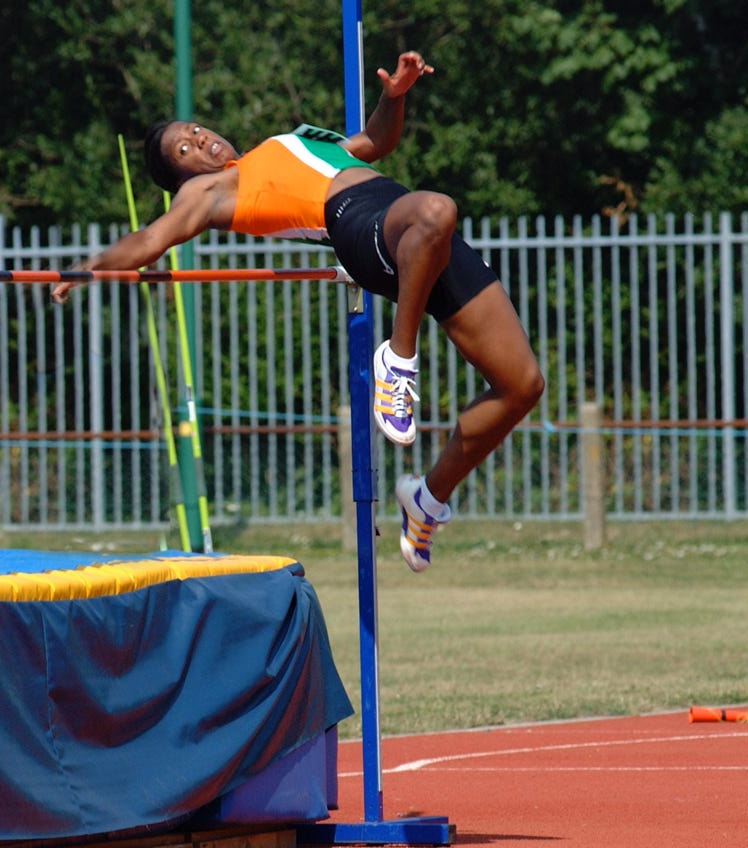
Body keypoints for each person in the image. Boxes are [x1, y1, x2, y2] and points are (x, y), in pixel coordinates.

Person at [52, 51, 544, 572]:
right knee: (437, 208)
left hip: (417, 234)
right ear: (181, 174)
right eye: (186, 148)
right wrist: (88, 266)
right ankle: (397, 362)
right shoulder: (209, 190)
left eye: (196, 130)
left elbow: (375, 145)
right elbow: (151, 240)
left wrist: (392, 98)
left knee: (521, 384)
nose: (202, 140)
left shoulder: (286, 143)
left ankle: (427, 499)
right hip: (360, 224)